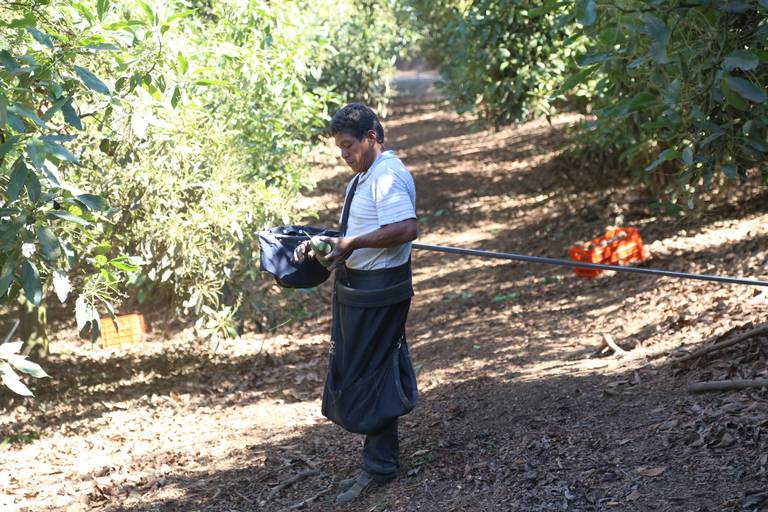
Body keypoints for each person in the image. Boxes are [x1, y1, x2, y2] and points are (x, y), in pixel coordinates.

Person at [292, 103, 419, 504]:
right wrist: (325, 244)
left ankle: (379, 466)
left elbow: (406, 228)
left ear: (372, 138)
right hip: (360, 288)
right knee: (365, 369)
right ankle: (379, 461)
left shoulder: (388, 176)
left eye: (349, 145)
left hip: (379, 290)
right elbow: (359, 232)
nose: (344, 154)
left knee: (370, 374)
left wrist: (354, 243)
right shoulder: (363, 178)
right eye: (339, 148)